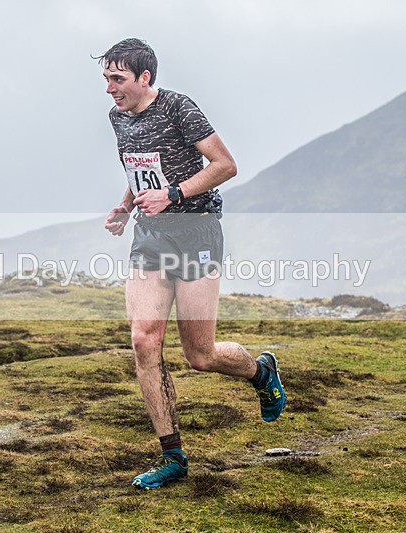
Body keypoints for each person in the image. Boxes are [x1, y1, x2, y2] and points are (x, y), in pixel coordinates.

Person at [96, 38, 286, 490]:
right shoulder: (117, 117)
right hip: (150, 236)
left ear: (145, 78)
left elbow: (225, 165)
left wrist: (174, 194)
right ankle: (173, 457)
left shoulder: (179, 108)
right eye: (106, 79)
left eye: (118, 79)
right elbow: (140, 170)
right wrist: (126, 205)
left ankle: (261, 372)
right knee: (144, 341)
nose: (109, 88)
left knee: (200, 355)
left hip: (196, 231)